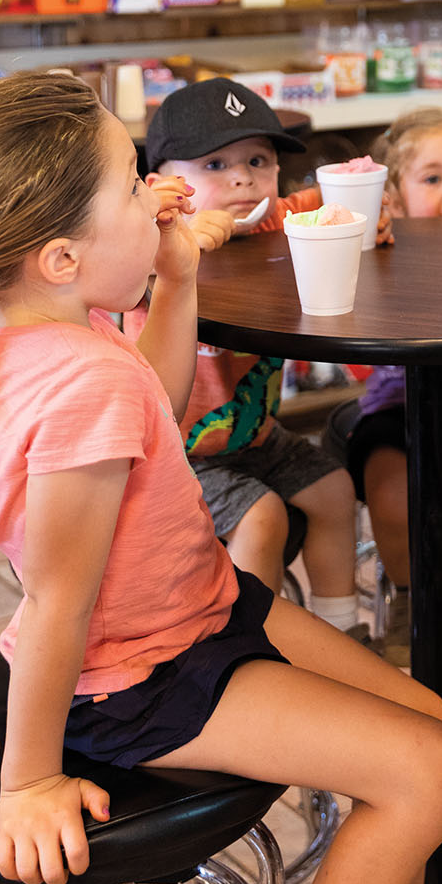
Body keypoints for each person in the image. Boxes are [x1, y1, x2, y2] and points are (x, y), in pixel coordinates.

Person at [0, 71, 442, 884]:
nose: (165, 194)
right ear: (63, 256)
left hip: (203, 612)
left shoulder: (13, 324)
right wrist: (31, 779)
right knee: (431, 769)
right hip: (139, 678)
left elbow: (147, 400)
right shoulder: (78, 385)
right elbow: (59, 605)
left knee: (427, 717)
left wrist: (176, 277)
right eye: (130, 181)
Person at [131, 78, 371, 637]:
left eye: (258, 160)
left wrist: (365, 219)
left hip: (254, 437)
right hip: (174, 456)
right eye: (214, 165)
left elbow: (330, 202)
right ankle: (251, 652)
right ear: (163, 187)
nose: (242, 178)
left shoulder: (272, 221)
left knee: (336, 489)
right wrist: (171, 238)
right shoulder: (151, 241)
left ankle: (343, 635)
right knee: (261, 517)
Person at [324, 108, 442, 664]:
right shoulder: (384, 250)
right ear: (395, 200)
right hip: (401, 408)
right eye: (432, 179)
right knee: (392, 492)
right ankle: (412, 607)